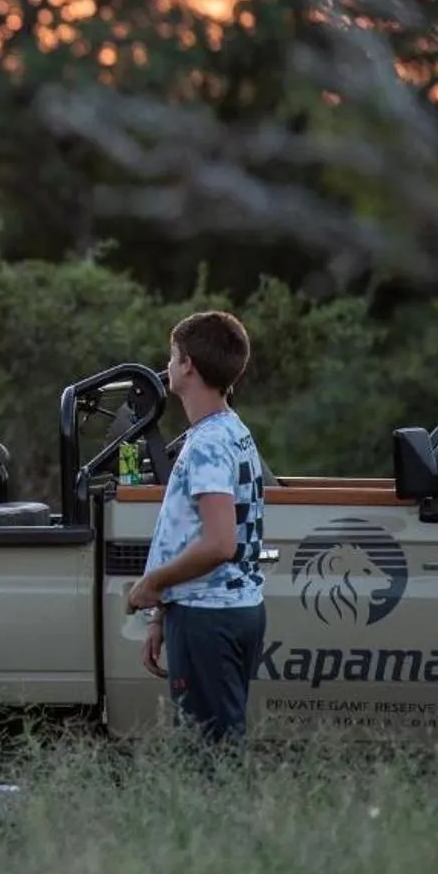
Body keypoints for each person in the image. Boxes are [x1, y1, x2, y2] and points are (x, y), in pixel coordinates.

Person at [127, 311, 270, 745]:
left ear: (188, 364)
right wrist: (161, 616)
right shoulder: (230, 430)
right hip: (221, 609)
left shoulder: (207, 444)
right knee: (215, 744)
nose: (167, 365)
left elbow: (219, 542)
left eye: (172, 356)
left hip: (210, 617)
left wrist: (152, 583)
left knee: (210, 759)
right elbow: (191, 533)